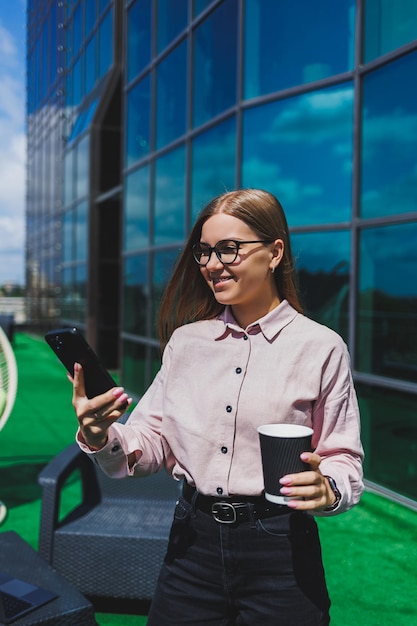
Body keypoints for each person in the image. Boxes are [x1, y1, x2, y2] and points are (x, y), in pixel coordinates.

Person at [73, 188, 364, 625]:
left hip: (281, 547)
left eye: (229, 249)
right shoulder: (186, 343)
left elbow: (344, 458)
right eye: (204, 251)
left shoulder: (321, 348)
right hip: (191, 544)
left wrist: (329, 488)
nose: (212, 263)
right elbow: (149, 442)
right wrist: (101, 436)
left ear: (275, 252)